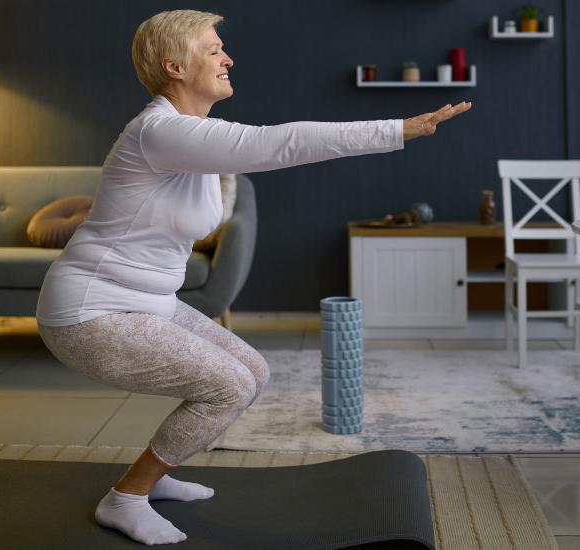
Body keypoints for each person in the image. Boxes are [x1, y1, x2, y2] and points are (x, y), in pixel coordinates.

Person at [35, 9, 471, 546]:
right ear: (174, 65)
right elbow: (281, 143)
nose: (228, 57)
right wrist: (397, 129)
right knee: (228, 385)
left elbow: (232, 170)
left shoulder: (192, 136)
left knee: (252, 371)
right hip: (91, 310)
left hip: (147, 301)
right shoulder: (160, 130)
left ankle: (159, 473)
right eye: (213, 48)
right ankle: (125, 499)